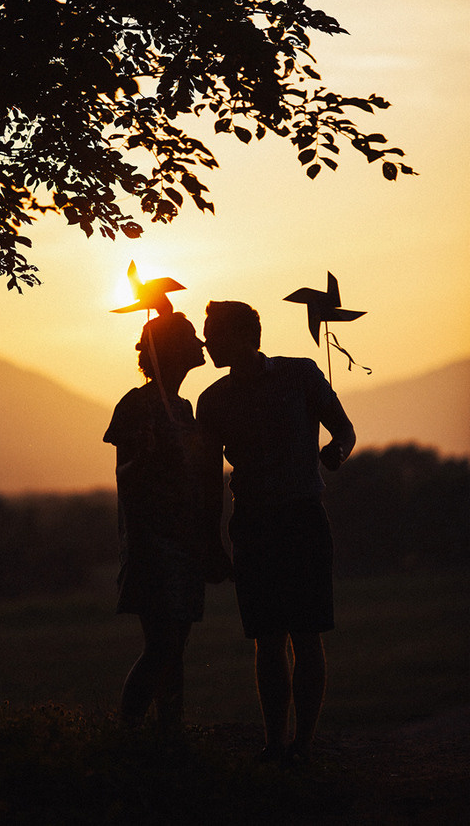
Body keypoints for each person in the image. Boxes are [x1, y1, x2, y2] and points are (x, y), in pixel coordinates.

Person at [196, 300, 356, 764]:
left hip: (302, 519)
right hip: (252, 526)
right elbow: (209, 478)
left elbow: (343, 429)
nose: (207, 342)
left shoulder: (301, 375)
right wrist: (212, 541)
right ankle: (274, 742)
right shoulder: (213, 400)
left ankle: (301, 744)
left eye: (214, 333)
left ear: (245, 335)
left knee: (306, 635)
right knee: (267, 639)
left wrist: (336, 452)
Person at [103, 311, 227, 731]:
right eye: (192, 337)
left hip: (184, 542)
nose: (202, 344)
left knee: (176, 649)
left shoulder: (183, 407)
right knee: (162, 647)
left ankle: (168, 734)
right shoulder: (137, 405)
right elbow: (128, 478)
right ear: (170, 350)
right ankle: (129, 731)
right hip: (154, 544)